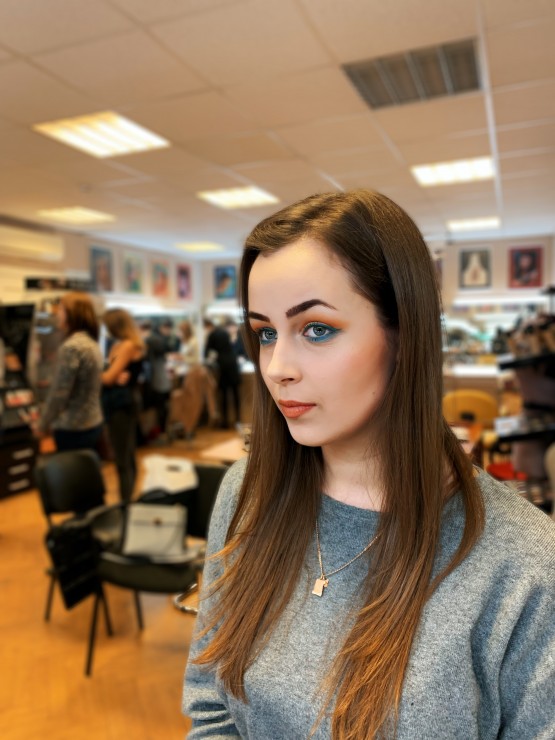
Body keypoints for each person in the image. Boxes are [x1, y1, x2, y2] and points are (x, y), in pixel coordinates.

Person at [183, 190, 555, 738]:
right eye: (265, 333)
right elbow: (212, 702)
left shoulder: (524, 563)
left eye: (316, 329)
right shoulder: (247, 494)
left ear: (404, 333)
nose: (277, 367)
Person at [34, 292, 103, 452]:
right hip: (92, 422)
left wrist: (42, 424)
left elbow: (59, 393)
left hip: (73, 426)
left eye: (61, 309)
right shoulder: (91, 342)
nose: (57, 314)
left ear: (71, 314)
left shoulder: (71, 347)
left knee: (72, 467)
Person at [101, 308, 145, 502]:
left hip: (122, 404)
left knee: (123, 458)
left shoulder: (128, 346)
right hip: (117, 403)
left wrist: (98, 373)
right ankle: (128, 500)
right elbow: (110, 374)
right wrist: (109, 374)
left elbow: (109, 377)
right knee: (126, 454)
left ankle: (126, 503)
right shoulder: (119, 345)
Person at [203, 317, 241, 428]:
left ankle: (225, 422)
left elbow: (207, 352)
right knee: (235, 393)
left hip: (223, 365)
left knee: (224, 394)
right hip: (232, 362)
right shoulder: (224, 332)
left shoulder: (212, 334)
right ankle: (238, 419)